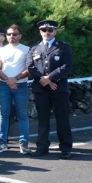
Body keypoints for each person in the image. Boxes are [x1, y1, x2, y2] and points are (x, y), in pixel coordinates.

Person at [27, 19, 74, 159]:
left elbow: (67, 66)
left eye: (50, 30)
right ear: (40, 32)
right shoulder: (34, 48)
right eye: (43, 30)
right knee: (43, 119)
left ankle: (65, 148)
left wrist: (50, 78)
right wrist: (43, 80)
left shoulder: (63, 47)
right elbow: (30, 66)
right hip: (41, 89)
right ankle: (42, 147)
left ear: (55, 31)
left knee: (62, 119)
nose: (47, 33)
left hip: (59, 89)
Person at [0, 25, 31, 154]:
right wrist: (8, 80)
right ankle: (1, 143)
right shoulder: (1, 50)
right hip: (4, 86)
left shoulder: (26, 50)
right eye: (9, 34)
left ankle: (24, 143)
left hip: (21, 86)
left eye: (14, 34)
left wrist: (15, 79)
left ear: (20, 36)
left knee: (22, 115)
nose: (11, 36)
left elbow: (29, 69)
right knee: (3, 115)